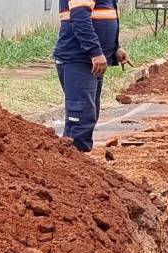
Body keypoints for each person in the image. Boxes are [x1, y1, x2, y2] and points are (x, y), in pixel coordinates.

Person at [53, 0, 129, 152]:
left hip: (90, 60)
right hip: (78, 59)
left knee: (89, 113)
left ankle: (78, 163)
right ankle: (73, 163)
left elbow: (101, 16)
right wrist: (95, 52)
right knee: (80, 117)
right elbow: (80, 18)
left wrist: (115, 48)